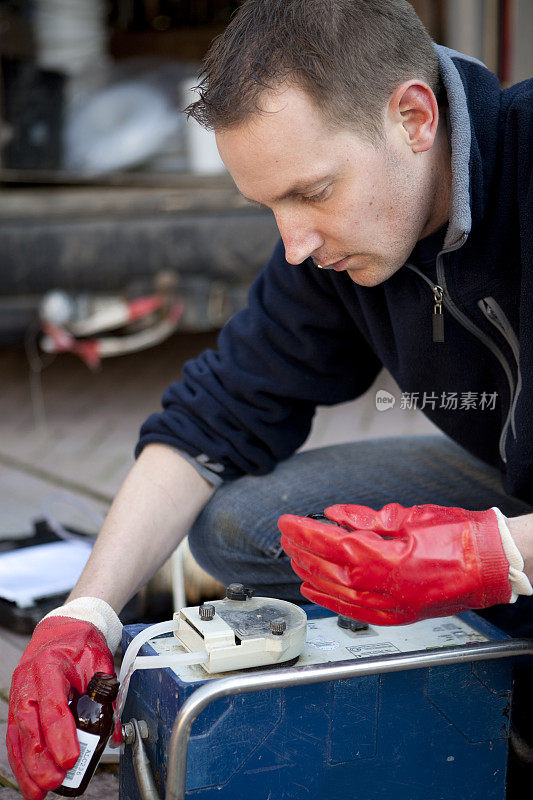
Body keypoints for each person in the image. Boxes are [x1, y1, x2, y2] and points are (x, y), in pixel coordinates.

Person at [7, 1, 533, 798]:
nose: (294, 244)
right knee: (240, 525)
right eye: (270, 208)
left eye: (313, 191)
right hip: (510, 484)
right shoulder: (342, 242)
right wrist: (85, 613)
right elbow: (211, 417)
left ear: (413, 118)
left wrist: (493, 557)